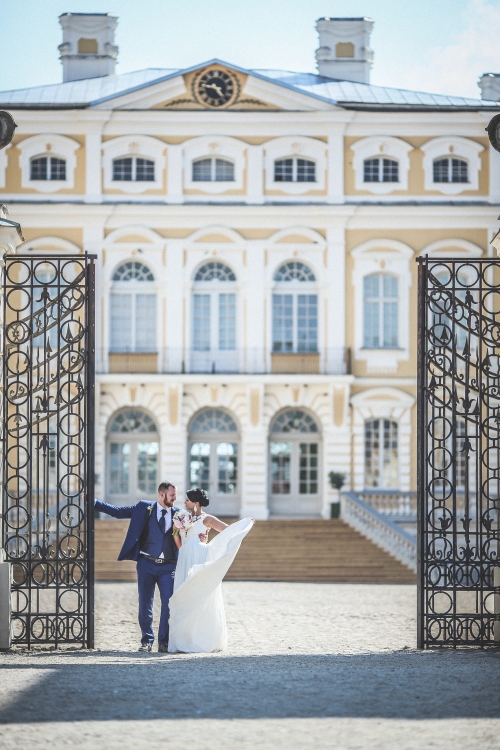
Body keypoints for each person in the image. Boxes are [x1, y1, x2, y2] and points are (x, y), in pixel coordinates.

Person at [95, 482, 208, 652]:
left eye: (176, 495)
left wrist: (203, 538)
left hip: (168, 566)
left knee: (168, 604)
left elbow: (194, 530)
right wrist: (94, 502)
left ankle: (163, 642)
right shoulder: (143, 508)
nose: (175, 499)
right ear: (162, 494)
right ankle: (146, 640)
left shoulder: (180, 515)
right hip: (146, 563)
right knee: (145, 603)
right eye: (172, 496)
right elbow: (118, 512)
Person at [167, 487, 254, 653]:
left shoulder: (207, 519)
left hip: (200, 556)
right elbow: (178, 543)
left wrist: (245, 523)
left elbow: (228, 530)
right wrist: (176, 534)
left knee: (200, 594)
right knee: (184, 594)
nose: (184, 502)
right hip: (185, 557)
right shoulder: (182, 517)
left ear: (196, 503)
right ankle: (183, 639)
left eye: (187, 500)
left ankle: (201, 638)